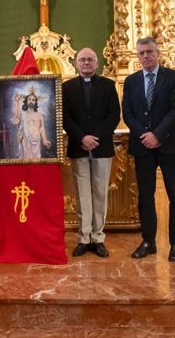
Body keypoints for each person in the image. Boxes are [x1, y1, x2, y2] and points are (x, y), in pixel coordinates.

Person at [122, 37, 175, 262]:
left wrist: (157, 134)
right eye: (141, 53)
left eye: (149, 52)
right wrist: (145, 136)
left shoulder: (173, 77)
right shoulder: (131, 81)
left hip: (169, 145)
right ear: (137, 56)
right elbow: (128, 112)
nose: (145, 56)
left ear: (157, 53)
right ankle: (148, 241)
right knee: (145, 197)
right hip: (143, 148)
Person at [63, 47, 120, 258]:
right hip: (78, 147)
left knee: (99, 193)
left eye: (90, 59)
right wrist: (82, 138)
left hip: (101, 147)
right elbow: (65, 117)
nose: (86, 63)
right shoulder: (66, 88)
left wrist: (95, 137)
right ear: (76, 64)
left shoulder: (108, 85)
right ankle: (83, 237)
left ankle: (98, 237)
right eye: (82, 60)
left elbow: (113, 115)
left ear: (97, 63)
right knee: (82, 194)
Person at [11, 91, 51, 159]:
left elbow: (42, 128)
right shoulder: (23, 114)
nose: (31, 101)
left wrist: (44, 140)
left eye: (33, 100)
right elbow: (16, 113)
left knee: (37, 158)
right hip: (26, 139)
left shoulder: (40, 115)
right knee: (26, 157)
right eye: (29, 99)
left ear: (35, 102)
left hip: (37, 139)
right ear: (26, 101)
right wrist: (17, 101)